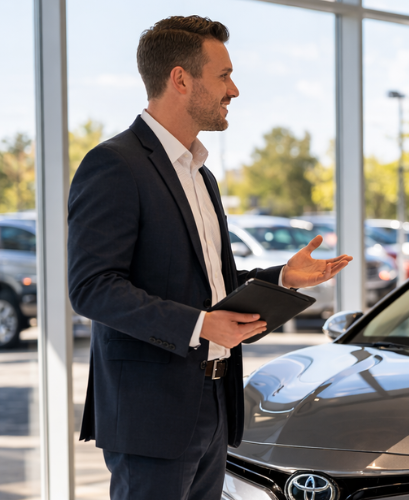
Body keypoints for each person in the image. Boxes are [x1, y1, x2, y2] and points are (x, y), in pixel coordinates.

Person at [67, 16, 352, 500]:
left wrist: (282, 277)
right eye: (224, 75)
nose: (233, 90)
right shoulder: (115, 163)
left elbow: (208, 284)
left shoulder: (201, 174)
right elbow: (92, 288)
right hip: (152, 418)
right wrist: (200, 325)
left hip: (215, 404)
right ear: (180, 79)